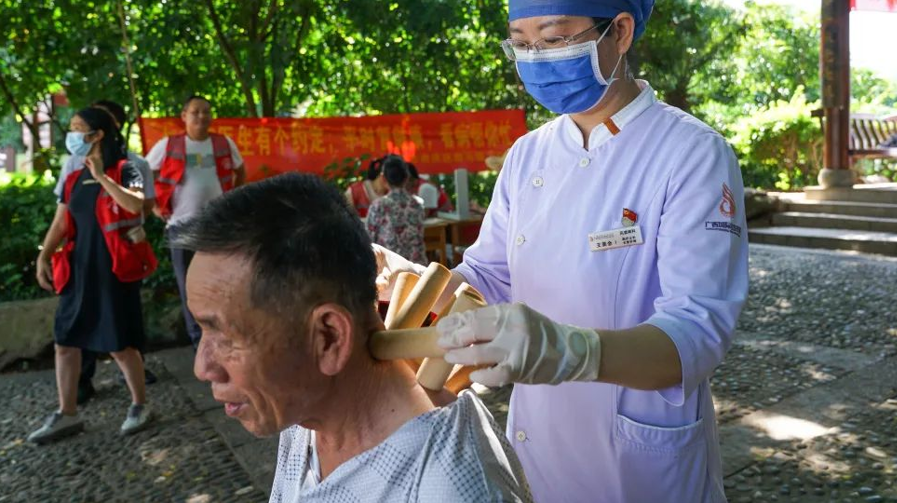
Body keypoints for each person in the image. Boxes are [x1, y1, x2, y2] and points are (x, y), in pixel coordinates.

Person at [379, 0, 749, 502]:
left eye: (554, 39)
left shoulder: (691, 154)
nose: (536, 59)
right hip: (539, 442)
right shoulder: (528, 155)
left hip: (637, 459)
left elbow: (696, 333)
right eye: (521, 44)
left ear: (619, 31)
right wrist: (409, 284)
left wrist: (574, 352)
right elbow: (490, 277)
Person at [173, 172, 531, 502]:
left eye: (225, 336)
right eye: (202, 330)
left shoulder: (450, 490)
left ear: (329, 338)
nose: (203, 368)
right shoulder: (304, 414)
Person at [31, 107, 158, 443]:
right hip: (78, 268)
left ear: (98, 134)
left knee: (119, 344)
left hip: (114, 269)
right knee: (65, 341)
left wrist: (102, 176)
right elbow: (61, 221)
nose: (72, 134)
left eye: (78, 128)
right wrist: (44, 255)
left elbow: (135, 205)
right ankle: (67, 412)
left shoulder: (128, 168)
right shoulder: (74, 175)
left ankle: (140, 405)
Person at [147, 95, 245, 347]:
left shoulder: (223, 143)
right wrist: (154, 205)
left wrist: (232, 201)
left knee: (221, 283)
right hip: (181, 226)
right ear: (184, 116)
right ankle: (198, 342)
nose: (202, 116)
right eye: (195, 112)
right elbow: (143, 170)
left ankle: (224, 337)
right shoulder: (169, 145)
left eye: (206, 112)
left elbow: (240, 170)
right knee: (188, 286)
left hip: (217, 225)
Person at [366, 155, 428, 266]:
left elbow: (369, 240)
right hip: (417, 267)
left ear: (383, 178)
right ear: (407, 177)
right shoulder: (418, 204)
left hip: (390, 267)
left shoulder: (378, 205)